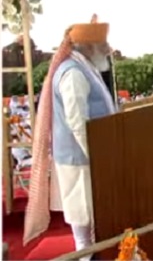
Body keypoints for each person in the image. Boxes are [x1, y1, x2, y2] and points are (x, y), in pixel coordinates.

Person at [23, 15, 116, 260]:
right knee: (83, 225)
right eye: (103, 45)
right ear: (89, 46)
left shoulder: (85, 67)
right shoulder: (73, 73)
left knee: (89, 222)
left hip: (86, 158)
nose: (108, 49)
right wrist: (97, 156)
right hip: (81, 160)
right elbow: (78, 122)